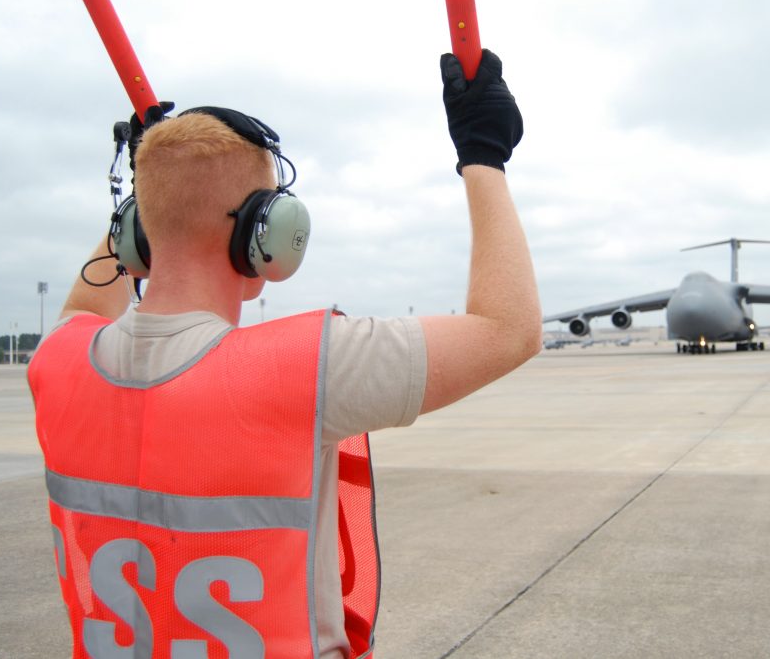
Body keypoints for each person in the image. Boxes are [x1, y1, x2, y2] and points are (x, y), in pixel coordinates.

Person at [28, 49, 540, 658]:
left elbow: (86, 308)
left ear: (137, 235)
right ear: (260, 235)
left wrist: (150, 185)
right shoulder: (305, 368)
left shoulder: (57, 366)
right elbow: (508, 330)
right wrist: (483, 155)